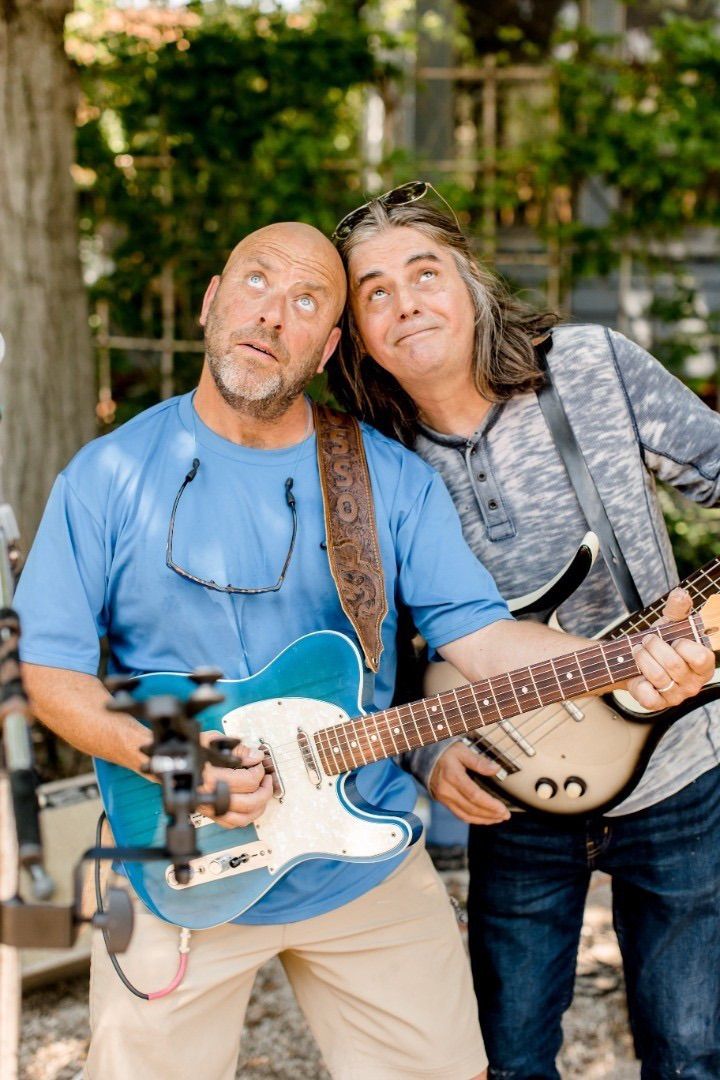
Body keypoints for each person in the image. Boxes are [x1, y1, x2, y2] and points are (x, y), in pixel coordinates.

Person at [13, 222, 710, 1080]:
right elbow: (49, 674)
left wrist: (631, 661)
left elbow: (483, 640)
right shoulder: (105, 474)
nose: (273, 315)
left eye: (307, 301)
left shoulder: (385, 476)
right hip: (178, 864)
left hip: (366, 865)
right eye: (256, 284)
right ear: (210, 302)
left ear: (329, 346)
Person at [329, 185, 720, 1080]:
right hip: (515, 787)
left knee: (694, 1052)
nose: (406, 302)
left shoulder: (593, 366)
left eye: (424, 274)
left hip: (682, 772)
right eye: (374, 292)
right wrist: (426, 758)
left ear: (470, 284)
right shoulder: (361, 463)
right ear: (356, 333)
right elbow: (364, 651)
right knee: (504, 1058)